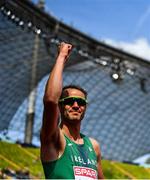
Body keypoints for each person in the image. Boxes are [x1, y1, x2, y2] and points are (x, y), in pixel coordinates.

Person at [40, 42, 104, 179]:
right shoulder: (54, 138)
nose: (76, 105)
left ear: (85, 107)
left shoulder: (93, 146)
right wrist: (62, 57)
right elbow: (51, 100)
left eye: (81, 102)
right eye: (69, 101)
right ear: (60, 106)